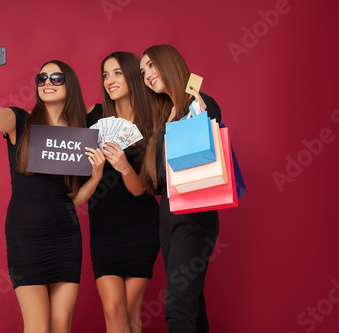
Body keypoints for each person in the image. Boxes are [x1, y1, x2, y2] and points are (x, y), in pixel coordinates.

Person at [0, 46, 105, 333]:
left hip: (65, 235)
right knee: (38, 327)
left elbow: (74, 198)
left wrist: (97, 175)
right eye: (42, 79)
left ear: (70, 85)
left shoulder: (78, 135)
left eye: (56, 78)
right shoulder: (20, 121)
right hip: (26, 235)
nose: (47, 83)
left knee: (61, 326)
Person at [139, 44, 222, 332]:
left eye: (151, 65)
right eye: (143, 71)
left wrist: (200, 112)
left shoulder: (199, 103)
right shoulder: (162, 117)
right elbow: (160, 181)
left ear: (169, 63)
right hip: (168, 215)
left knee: (178, 310)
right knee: (192, 309)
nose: (147, 73)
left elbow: (203, 158)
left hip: (193, 214)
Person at [86, 51, 160, 333]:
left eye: (117, 73)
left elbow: (140, 190)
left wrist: (124, 166)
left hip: (141, 225)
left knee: (130, 312)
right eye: (105, 74)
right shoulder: (93, 116)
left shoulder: (152, 122)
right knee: (113, 309)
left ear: (132, 76)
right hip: (104, 226)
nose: (109, 80)